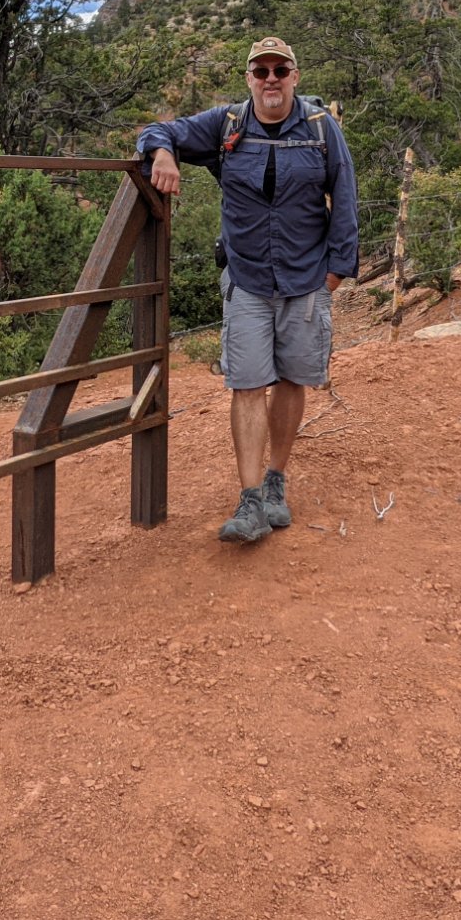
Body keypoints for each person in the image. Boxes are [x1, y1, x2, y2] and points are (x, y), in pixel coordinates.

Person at [138, 37, 358, 543]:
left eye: (281, 69)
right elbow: (157, 130)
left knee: (292, 380)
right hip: (248, 281)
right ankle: (251, 498)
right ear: (249, 79)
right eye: (261, 71)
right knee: (246, 383)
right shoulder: (227, 125)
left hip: (306, 280)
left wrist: (334, 275)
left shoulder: (323, 131)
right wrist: (163, 154)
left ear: (296, 77)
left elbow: (344, 197)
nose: (271, 79)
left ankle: (277, 482)